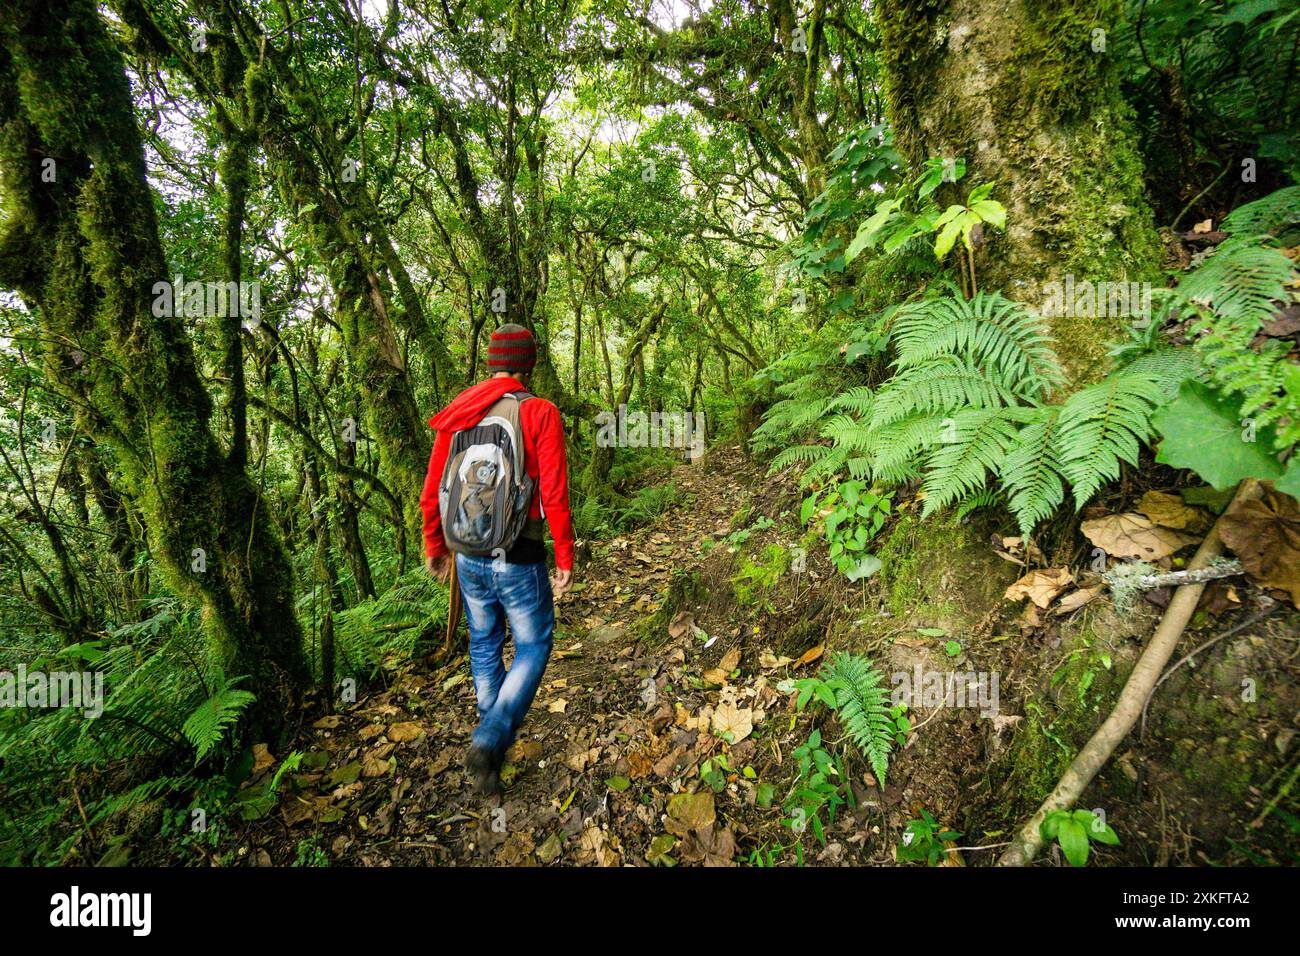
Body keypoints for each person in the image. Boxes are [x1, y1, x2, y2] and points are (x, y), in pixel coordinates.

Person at [420, 324, 575, 795]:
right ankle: (490, 738)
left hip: (467, 554)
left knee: (485, 642)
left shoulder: (461, 413)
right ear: (528, 364)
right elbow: (553, 492)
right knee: (533, 644)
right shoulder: (539, 411)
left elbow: (433, 489)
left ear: (491, 362)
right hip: (520, 553)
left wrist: (435, 545)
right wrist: (565, 554)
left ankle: (488, 745)